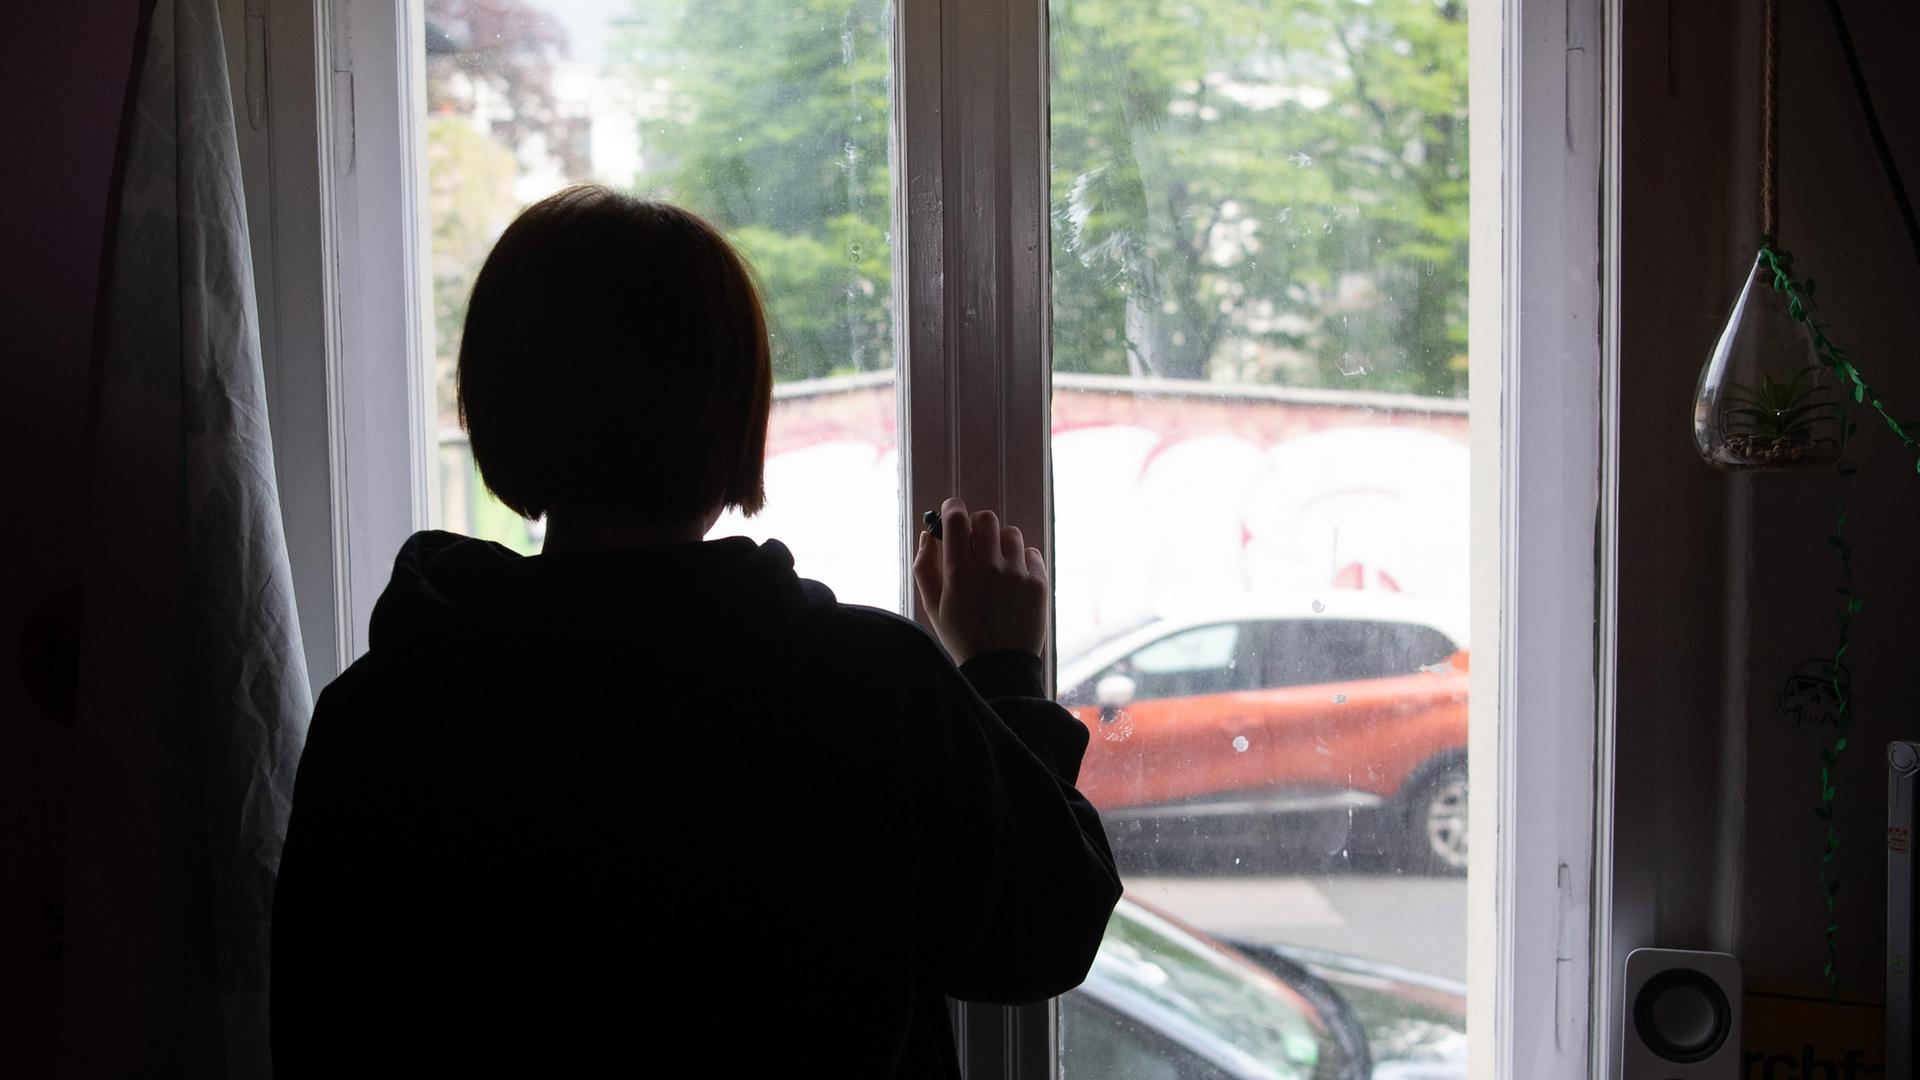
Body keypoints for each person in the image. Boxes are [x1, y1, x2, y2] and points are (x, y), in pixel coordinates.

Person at [270, 186, 1122, 1077]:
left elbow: (320, 1039)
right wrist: (1003, 673)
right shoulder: (863, 687)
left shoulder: (379, 716)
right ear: (733, 415)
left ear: (494, 406)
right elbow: (1042, 934)